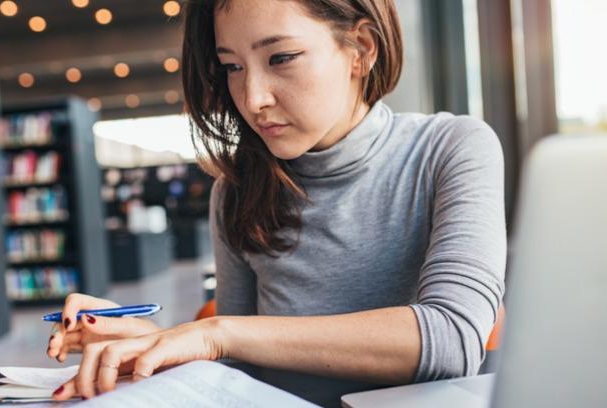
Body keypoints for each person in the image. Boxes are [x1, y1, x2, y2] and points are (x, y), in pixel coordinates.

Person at [47, 0, 506, 406]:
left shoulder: (450, 148)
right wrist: (157, 346)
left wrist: (216, 334)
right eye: (232, 66)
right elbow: (239, 374)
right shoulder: (236, 188)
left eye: (281, 58)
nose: (253, 98)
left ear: (362, 49)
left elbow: (451, 339)